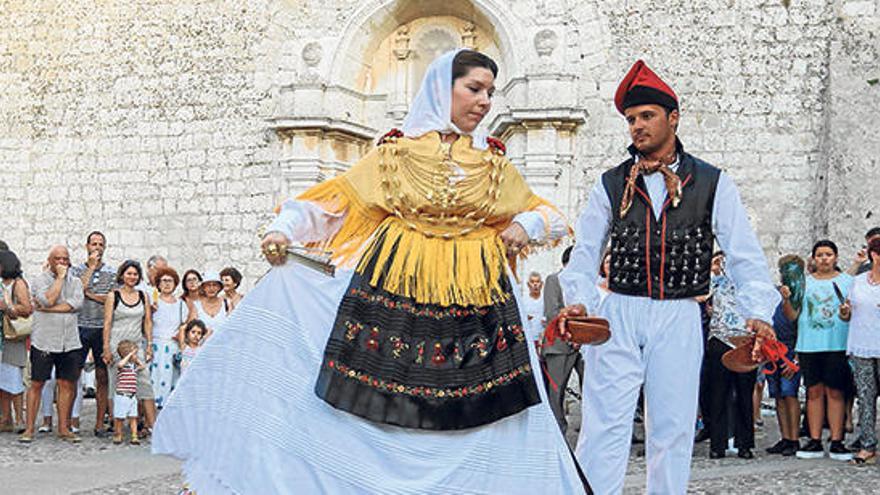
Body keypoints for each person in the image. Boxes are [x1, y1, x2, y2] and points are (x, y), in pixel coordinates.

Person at [153, 49, 585, 493]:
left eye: (490, 92)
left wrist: (523, 224)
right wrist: (283, 228)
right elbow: (335, 202)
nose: (485, 101)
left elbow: (549, 214)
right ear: (441, 88)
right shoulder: (393, 157)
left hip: (479, 304)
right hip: (393, 293)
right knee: (376, 410)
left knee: (489, 415)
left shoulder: (494, 167)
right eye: (474, 89)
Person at [560, 60, 779, 493]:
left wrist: (757, 310)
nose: (637, 127)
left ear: (672, 118)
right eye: (630, 119)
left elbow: (744, 253)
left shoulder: (713, 182)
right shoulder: (609, 183)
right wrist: (579, 299)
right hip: (618, 311)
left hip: (680, 314)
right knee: (604, 425)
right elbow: (584, 253)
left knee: (674, 428)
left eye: (646, 117)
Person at [788, 240, 853, 460]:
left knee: (836, 392)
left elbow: (850, 314)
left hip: (837, 343)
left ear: (835, 257)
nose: (824, 258)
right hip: (809, 344)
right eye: (820, 255)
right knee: (813, 392)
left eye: (828, 254)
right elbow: (792, 315)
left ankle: (837, 440)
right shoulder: (803, 283)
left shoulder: (847, 282)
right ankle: (814, 440)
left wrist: (845, 313)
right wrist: (788, 298)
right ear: (813, 259)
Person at [20, 246, 84, 443]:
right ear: (50, 260)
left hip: (69, 341)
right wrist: (58, 280)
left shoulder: (76, 282)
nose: (62, 262)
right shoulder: (40, 280)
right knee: (37, 383)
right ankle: (29, 428)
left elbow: (75, 304)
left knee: (67, 384)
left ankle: (64, 427)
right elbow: (47, 299)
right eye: (58, 259)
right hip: (45, 340)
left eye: (65, 259)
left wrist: (49, 310)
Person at [703, 251, 757, 459]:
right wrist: (711, 270)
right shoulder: (715, 282)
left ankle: (745, 444)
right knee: (718, 392)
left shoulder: (751, 284)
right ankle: (718, 444)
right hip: (719, 337)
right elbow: (700, 295)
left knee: (744, 393)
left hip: (745, 338)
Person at [102, 260, 157, 434]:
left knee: (144, 382)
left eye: (135, 274)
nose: (132, 277)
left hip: (136, 344)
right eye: (128, 273)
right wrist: (106, 348)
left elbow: (147, 322)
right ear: (122, 275)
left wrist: (149, 345)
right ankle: (116, 423)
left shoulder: (143, 296)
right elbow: (107, 322)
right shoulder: (113, 296)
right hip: (117, 344)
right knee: (116, 383)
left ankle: (153, 425)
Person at [70, 230, 116, 437]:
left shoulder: (112, 273)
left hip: (101, 327)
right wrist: (90, 268)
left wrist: (90, 295)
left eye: (100, 244)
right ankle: (73, 421)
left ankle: (99, 423)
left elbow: (111, 299)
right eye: (93, 243)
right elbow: (76, 292)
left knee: (102, 375)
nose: (97, 247)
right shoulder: (77, 270)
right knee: (74, 375)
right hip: (79, 325)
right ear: (87, 246)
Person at [843, 237, 880, 465]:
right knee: (865, 398)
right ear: (875, 256)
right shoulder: (857, 282)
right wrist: (844, 310)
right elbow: (845, 314)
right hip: (861, 345)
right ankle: (867, 445)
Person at [540, 246, 584, 436]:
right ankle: (557, 431)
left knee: (590, 388)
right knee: (557, 392)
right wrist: (573, 334)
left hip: (583, 347)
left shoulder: (584, 283)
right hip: (559, 346)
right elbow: (552, 312)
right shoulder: (554, 280)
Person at [764, 255, 804, 457]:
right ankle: (785, 437)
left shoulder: (802, 296)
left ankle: (794, 438)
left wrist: (796, 358)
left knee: (790, 393)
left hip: (791, 349)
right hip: (772, 349)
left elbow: (803, 329)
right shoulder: (775, 293)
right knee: (778, 395)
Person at [149, 267, 193, 409]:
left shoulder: (181, 304)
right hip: (156, 346)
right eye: (163, 281)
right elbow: (146, 322)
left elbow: (185, 323)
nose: (167, 284)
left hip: (173, 347)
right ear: (158, 283)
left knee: (172, 380)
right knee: (153, 380)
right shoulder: (152, 301)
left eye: (170, 281)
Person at [0, 250, 32, 433]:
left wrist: (8, 307)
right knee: (2, 382)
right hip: (1, 339)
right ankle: (6, 419)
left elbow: (27, 308)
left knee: (14, 380)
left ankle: (20, 419)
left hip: (12, 337)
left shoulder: (18, 284)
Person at [112, 340, 145, 445]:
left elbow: (142, 366)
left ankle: (134, 436)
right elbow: (121, 364)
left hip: (132, 396)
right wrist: (130, 354)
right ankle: (118, 434)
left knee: (133, 417)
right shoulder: (121, 366)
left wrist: (135, 359)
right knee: (120, 418)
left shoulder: (133, 367)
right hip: (122, 395)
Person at [521, 271, 545, 341]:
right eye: (532, 282)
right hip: (528, 338)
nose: (535, 284)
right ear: (528, 285)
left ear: (541, 284)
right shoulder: (523, 301)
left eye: (537, 282)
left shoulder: (546, 300)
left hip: (543, 338)